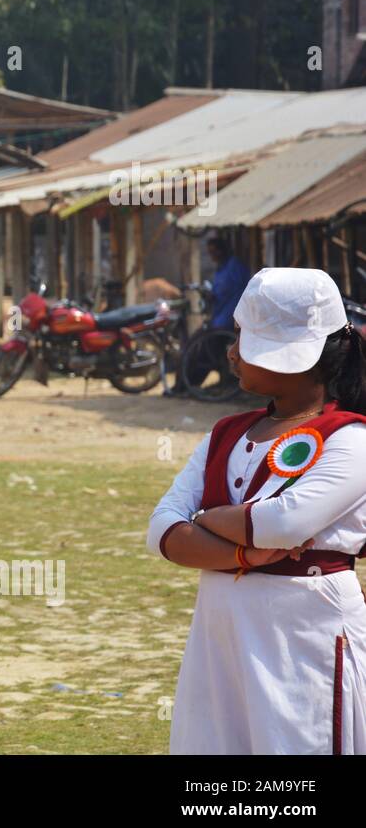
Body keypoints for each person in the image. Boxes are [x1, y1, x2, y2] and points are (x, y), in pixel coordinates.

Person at [148, 267, 366, 753]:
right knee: (218, 739)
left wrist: (205, 520)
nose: (231, 350)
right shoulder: (226, 432)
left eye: (246, 337)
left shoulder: (351, 439)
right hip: (221, 625)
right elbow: (161, 530)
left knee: (296, 742)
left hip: (303, 626)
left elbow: (283, 523)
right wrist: (243, 554)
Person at [206, 235, 251, 330]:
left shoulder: (234, 266)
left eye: (214, 251)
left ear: (221, 250)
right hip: (219, 313)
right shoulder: (219, 270)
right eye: (210, 253)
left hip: (231, 314)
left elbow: (245, 287)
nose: (212, 255)